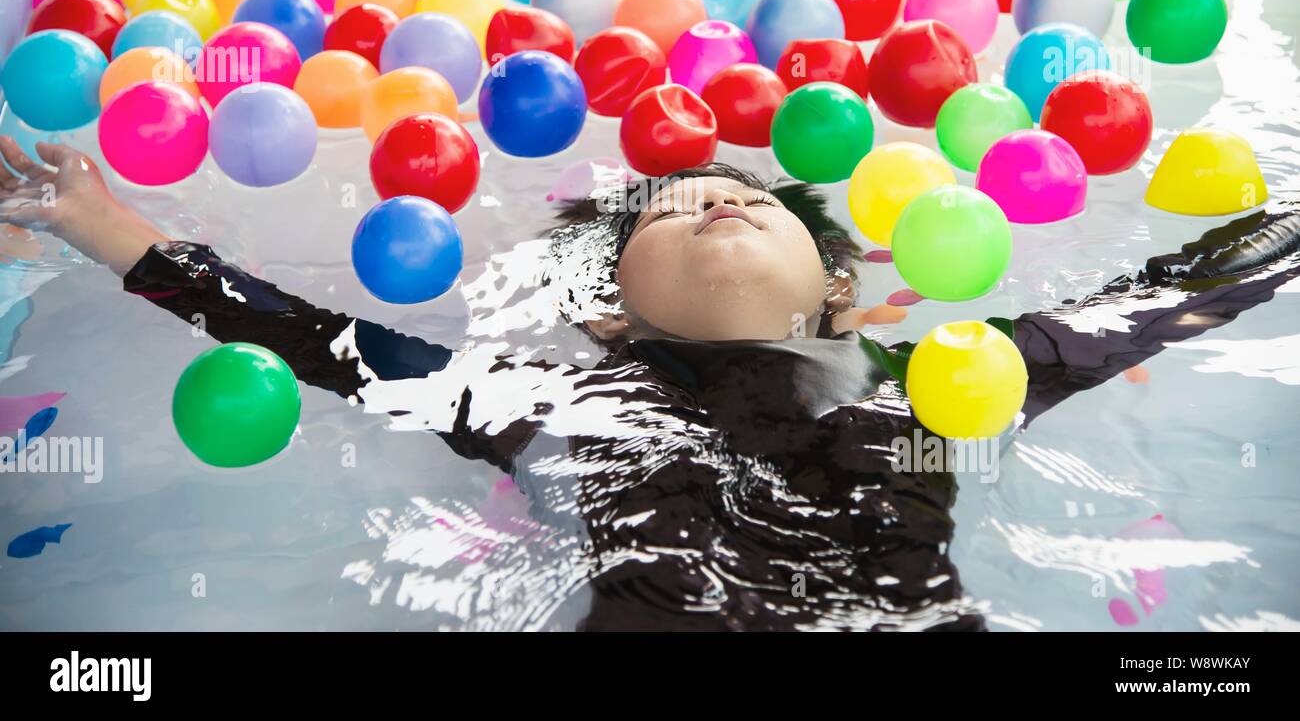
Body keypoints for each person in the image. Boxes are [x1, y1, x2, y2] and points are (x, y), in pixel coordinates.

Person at [3, 136, 1298, 630]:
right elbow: (322, 345)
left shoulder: (947, 371)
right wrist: (108, 228)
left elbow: (1170, 298)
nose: (715, 197)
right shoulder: (546, 397)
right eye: (672, 211)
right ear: (611, 313)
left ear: (842, 292)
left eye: (744, 200)